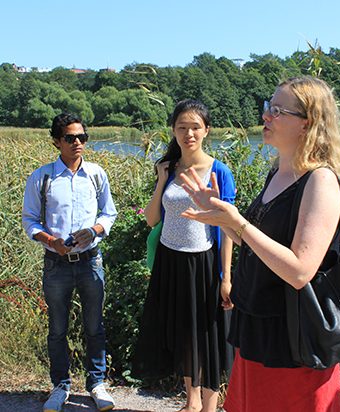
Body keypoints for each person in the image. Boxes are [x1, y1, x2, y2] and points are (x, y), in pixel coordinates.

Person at [180, 76, 340, 411]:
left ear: (307, 123)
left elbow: (300, 271)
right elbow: (261, 248)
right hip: (257, 325)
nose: (265, 117)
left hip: (294, 341)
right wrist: (224, 220)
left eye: (277, 110)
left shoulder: (321, 180)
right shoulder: (279, 172)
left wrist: (238, 222)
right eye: (267, 107)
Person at [131, 99, 236, 412]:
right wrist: (162, 180)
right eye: (182, 127)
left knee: (207, 333)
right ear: (173, 130)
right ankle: (191, 402)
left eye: (195, 127)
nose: (188, 133)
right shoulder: (169, 169)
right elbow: (151, 219)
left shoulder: (219, 171)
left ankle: (209, 406)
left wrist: (226, 277)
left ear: (206, 130)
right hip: (170, 260)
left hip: (203, 262)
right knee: (182, 332)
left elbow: (229, 229)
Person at [22, 113, 118, 412]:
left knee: (94, 326)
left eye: (82, 137)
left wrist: (94, 231)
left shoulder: (96, 174)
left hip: (91, 261)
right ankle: (60, 386)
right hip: (56, 265)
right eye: (70, 138)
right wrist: (51, 242)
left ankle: (96, 384)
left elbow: (109, 213)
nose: (78, 142)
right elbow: (29, 220)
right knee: (57, 328)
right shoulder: (43, 177)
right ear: (56, 141)